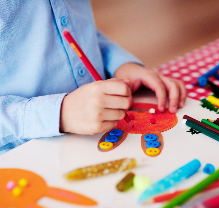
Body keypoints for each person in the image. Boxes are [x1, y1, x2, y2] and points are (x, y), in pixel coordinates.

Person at [0, 0, 186, 155]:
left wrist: (119, 64)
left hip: (101, 129)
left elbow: (70, 32)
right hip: (23, 154)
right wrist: (59, 113)